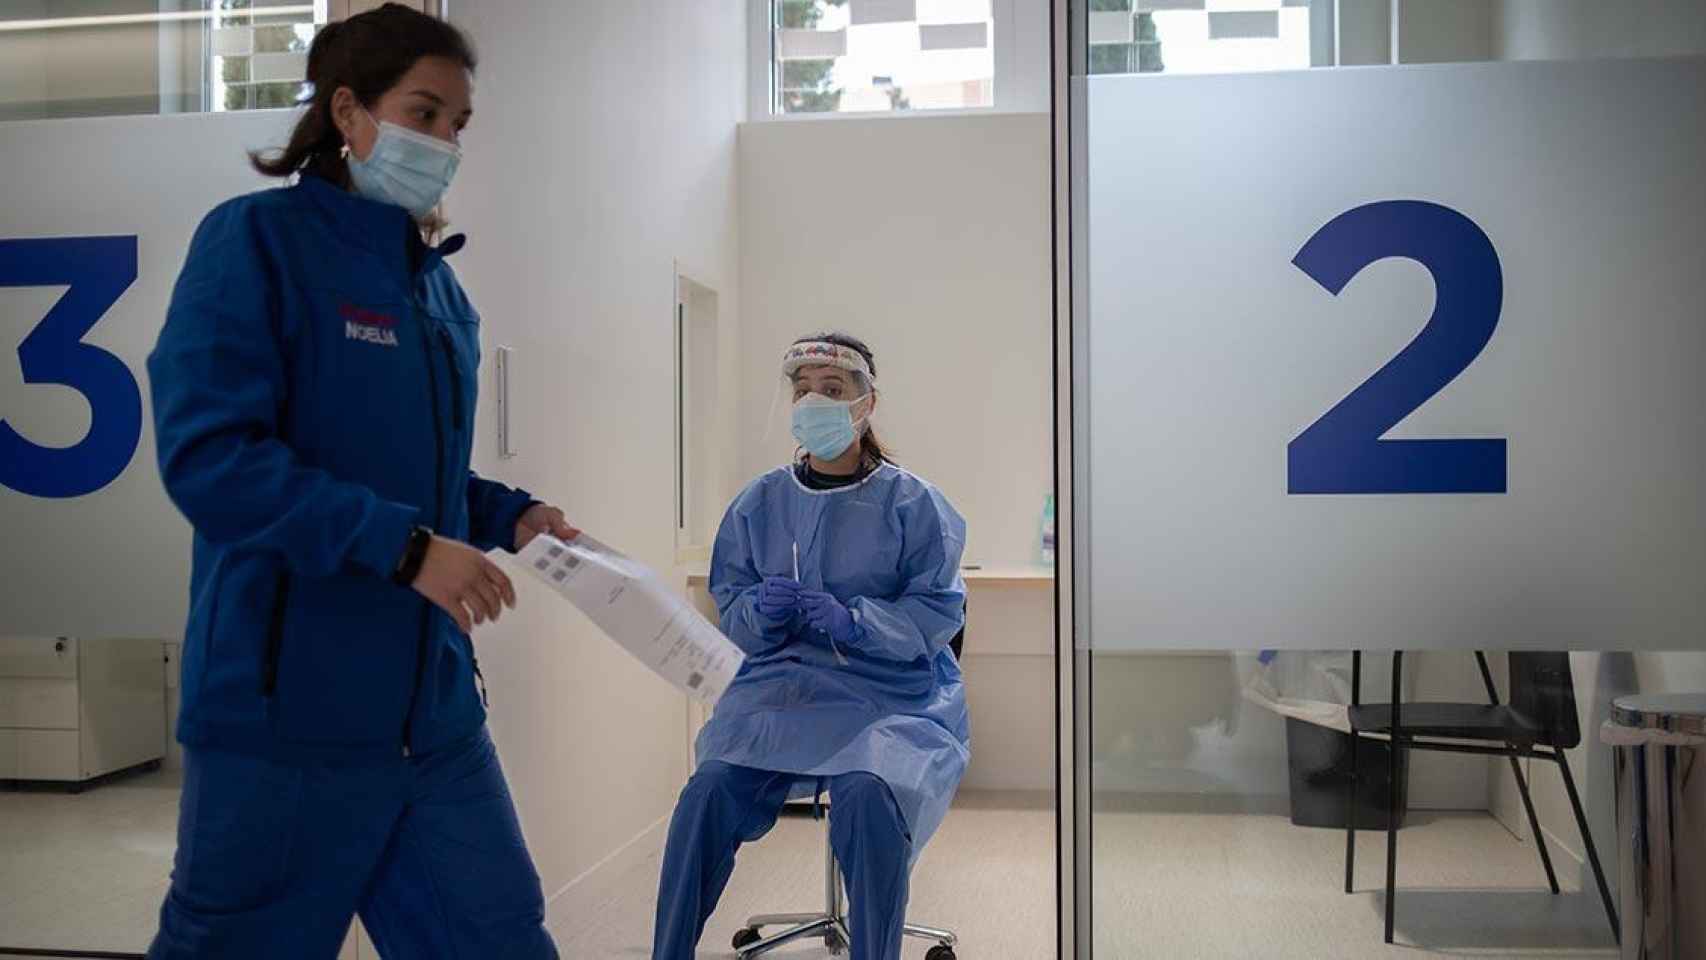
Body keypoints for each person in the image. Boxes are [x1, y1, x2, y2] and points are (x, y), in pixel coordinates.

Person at [144, 6, 567, 957]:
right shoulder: (256, 243)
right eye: (424, 112)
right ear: (348, 110)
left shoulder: (437, 292)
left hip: (435, 722)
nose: (445, 142)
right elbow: (213, 459)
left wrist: (511, 514)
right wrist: (408, 550)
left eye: (458, 123)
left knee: (500, 939)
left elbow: (418, 474)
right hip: (284, 724)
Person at [652, 333, 971, 960]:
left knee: (866, 794)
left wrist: (857, 622)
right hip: (780, 693)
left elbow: (937, 612)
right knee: (707, 792)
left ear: (866, 402)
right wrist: (759, 614)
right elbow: (734, 614)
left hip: (886, 697)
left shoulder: (914, 505)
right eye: (803, 391)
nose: (815, 402)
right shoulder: (758, 503)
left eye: (833, 390)